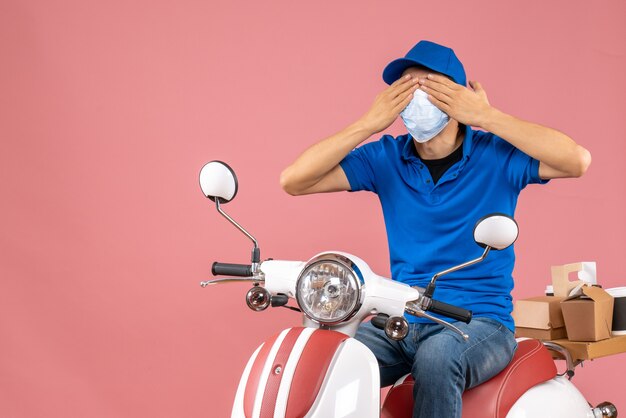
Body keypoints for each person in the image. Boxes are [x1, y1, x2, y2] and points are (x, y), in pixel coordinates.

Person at [280, 40, 591, 418]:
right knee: (326, 356)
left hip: (481, 323)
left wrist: (486, 116)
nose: (413, 97)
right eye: (404, 88)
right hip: (402, 318)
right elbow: (294, 180)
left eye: (426, 86)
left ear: (456, 95)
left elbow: (576, 160)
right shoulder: (387, 158)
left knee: (437, 355)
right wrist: (368, 123)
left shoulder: (497, 154)